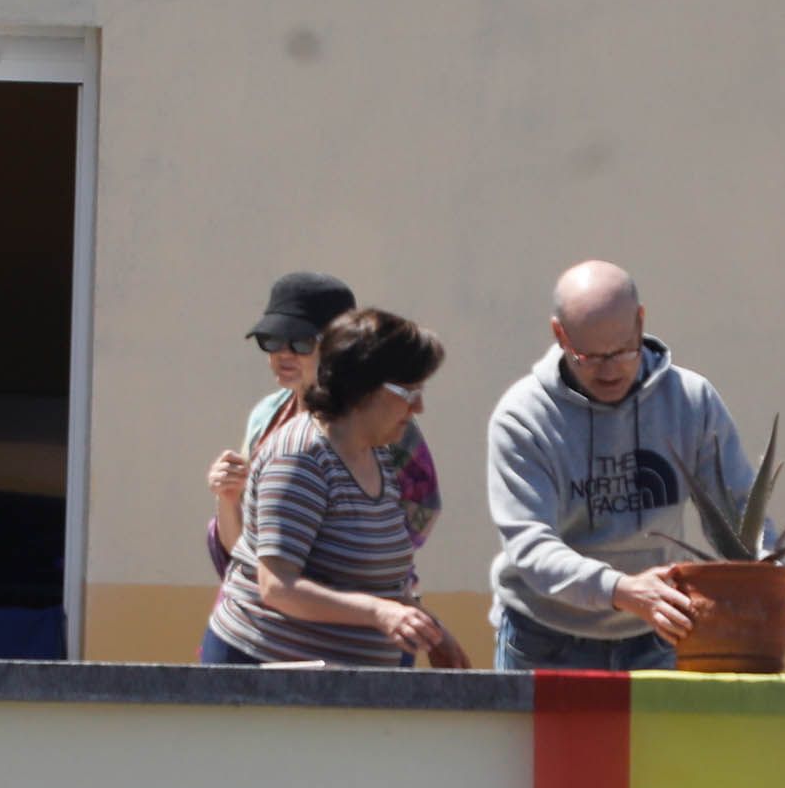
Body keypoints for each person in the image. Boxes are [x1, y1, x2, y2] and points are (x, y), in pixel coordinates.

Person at [486, 259, 755, 671]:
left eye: (623, 351)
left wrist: (764, 585)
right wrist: (622, 590)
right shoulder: (524, 417)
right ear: (559, 334)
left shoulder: (690, 401)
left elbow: (738, 511)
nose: (610, 370)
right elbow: (530, 545)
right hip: (546, 638)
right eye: (590, 356)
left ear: (641, 321)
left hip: (658, 635)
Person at [204, 308, 462, 669]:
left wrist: (432, 631)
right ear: (363, 388)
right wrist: (379, 613)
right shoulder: (301, 458)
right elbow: (278, 586)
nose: (418, 406)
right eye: (408, 391)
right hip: (269, 678)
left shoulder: (379, 454)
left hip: (345, 684)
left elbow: (378, 581)